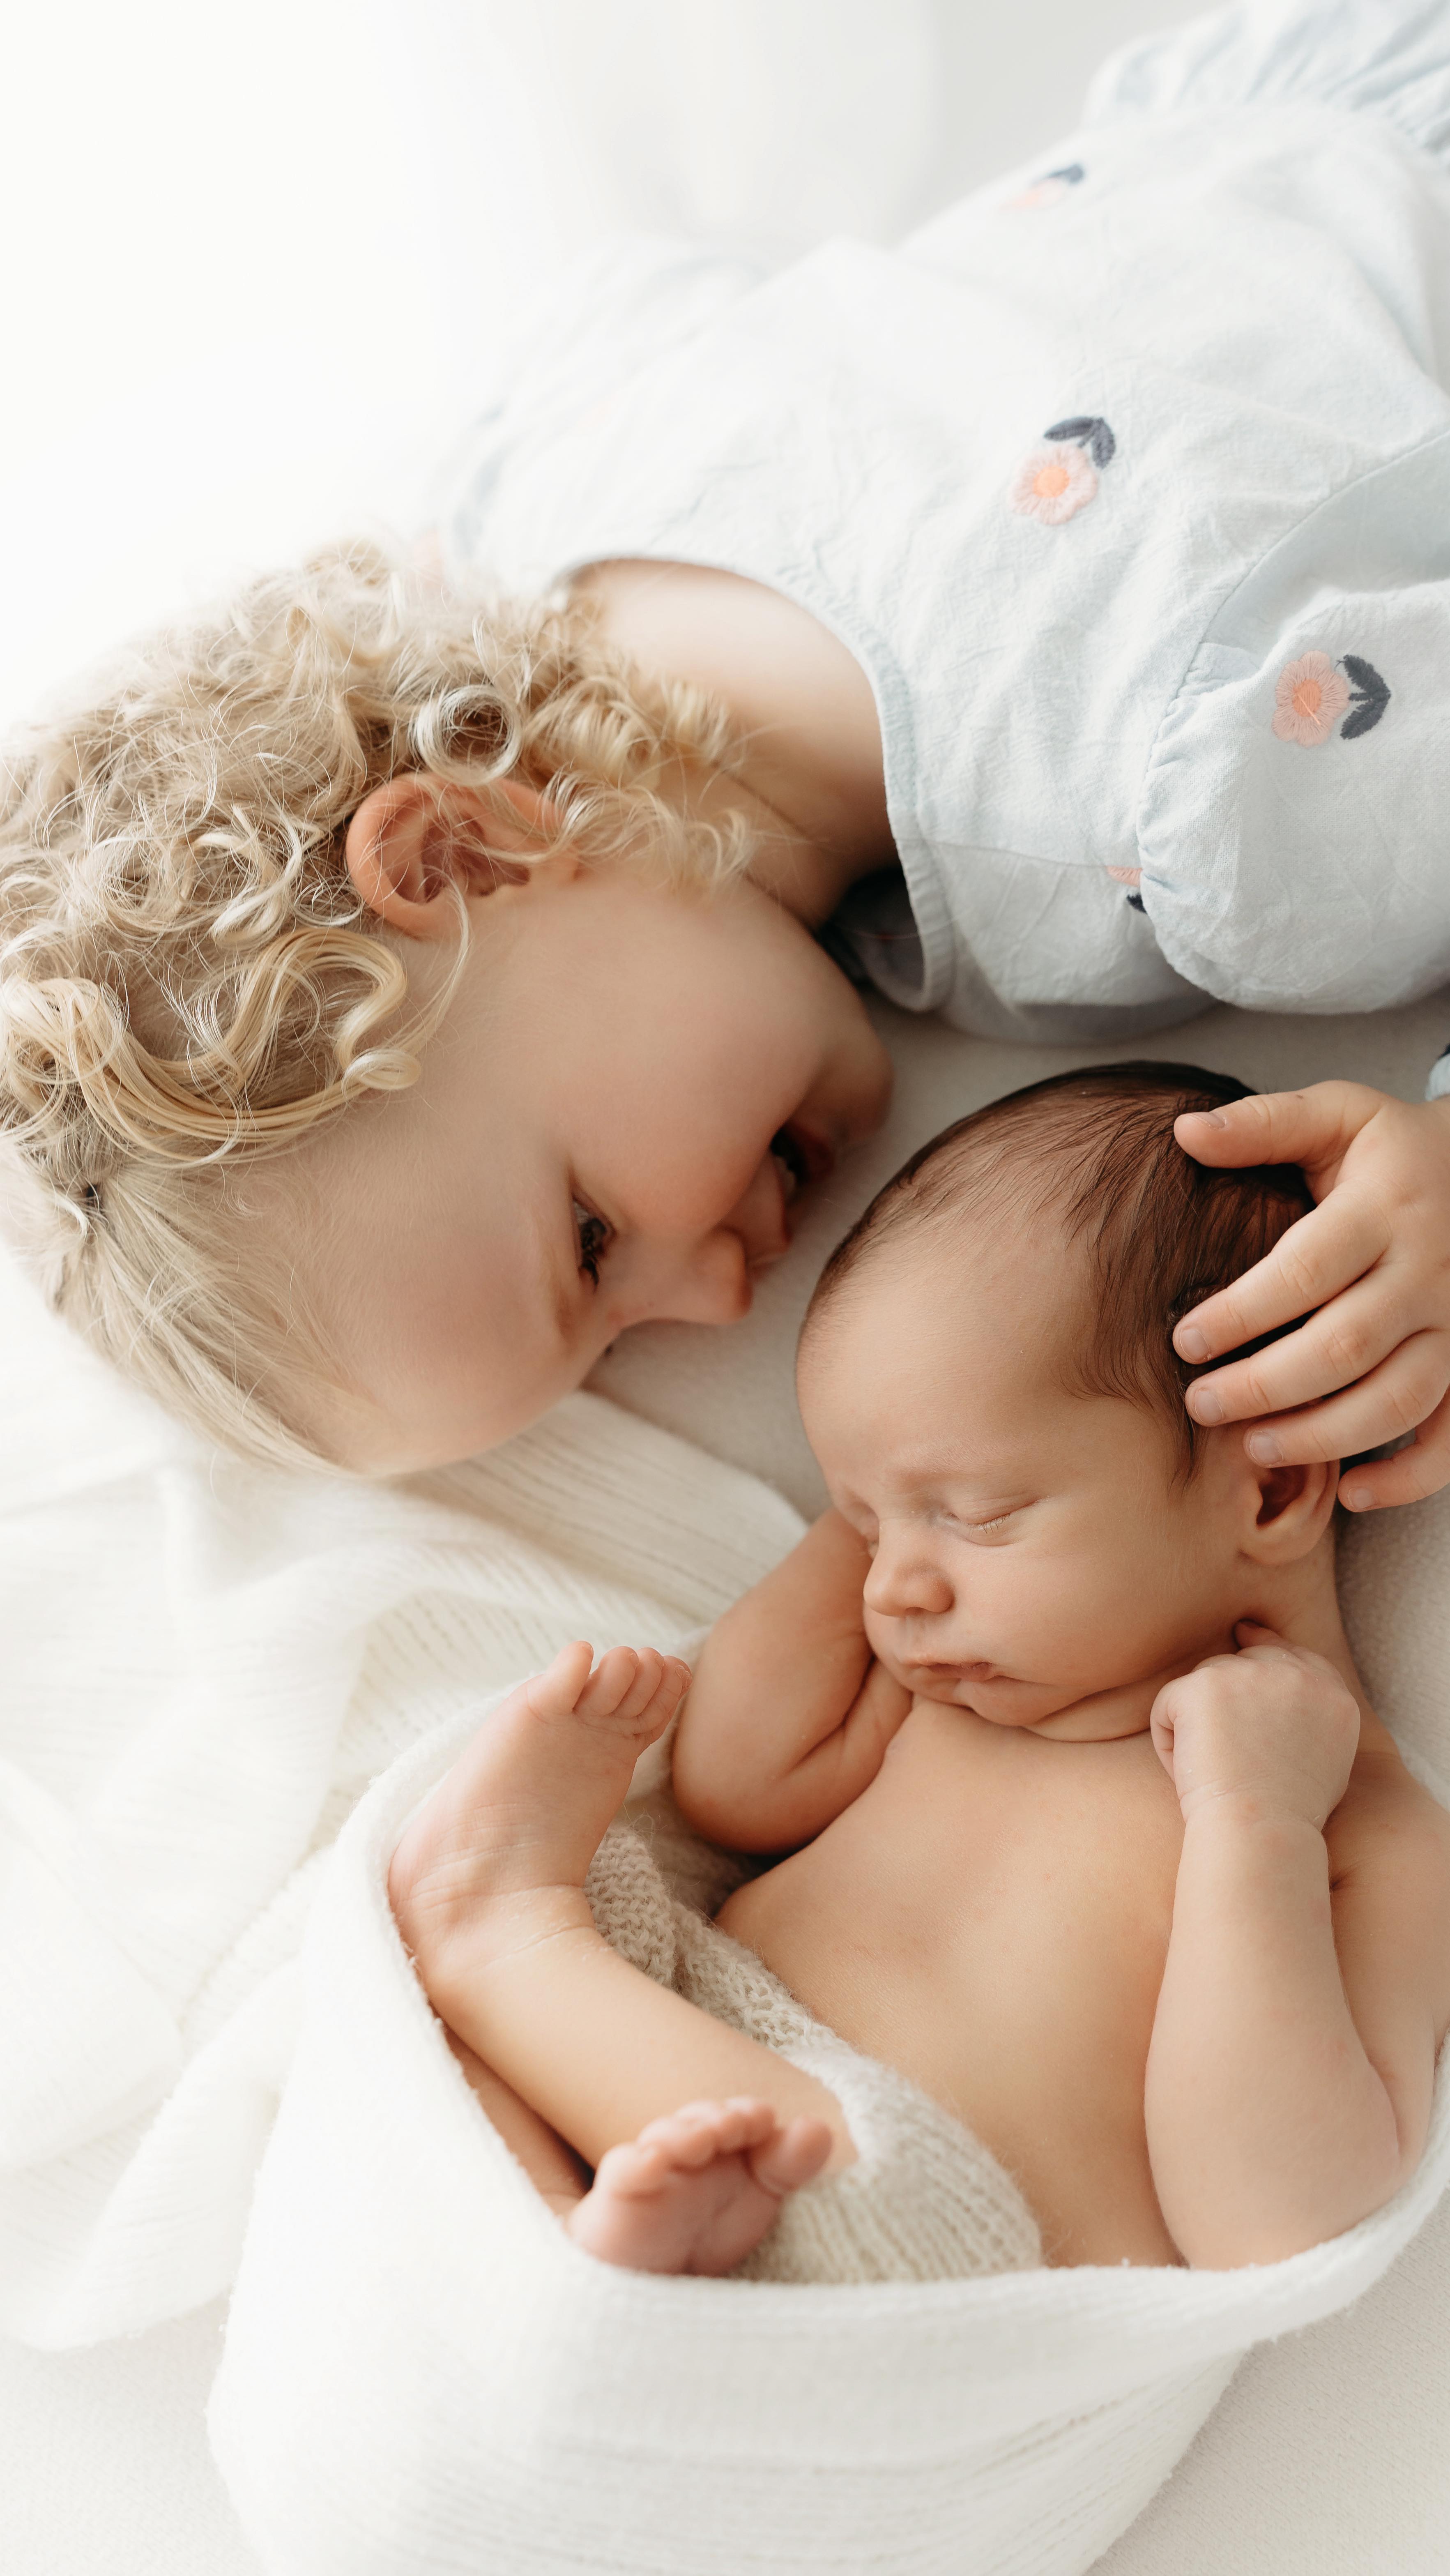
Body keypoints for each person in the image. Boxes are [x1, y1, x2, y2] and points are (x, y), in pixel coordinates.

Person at [3, 1, 1450, 1499]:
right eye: (622, 1342)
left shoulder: (1177, 807)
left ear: (464, 847)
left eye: (589, 1242)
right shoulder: (560, 465)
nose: (711, 1303)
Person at [386, 1064, 1450, 2277]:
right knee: (535, 2000)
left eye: (974, 1512)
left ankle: (502, 1935)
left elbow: (1270, 2220)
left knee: (849, 2170)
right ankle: (580, 2227)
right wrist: (878, 1509)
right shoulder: (953, 1682)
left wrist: (1252, 1824)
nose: (894, 1585)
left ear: (1266, 1488)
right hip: (681, 2055)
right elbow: (730, 1787)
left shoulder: (1362, 1828)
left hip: (926, 2240)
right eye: (864, 1520)